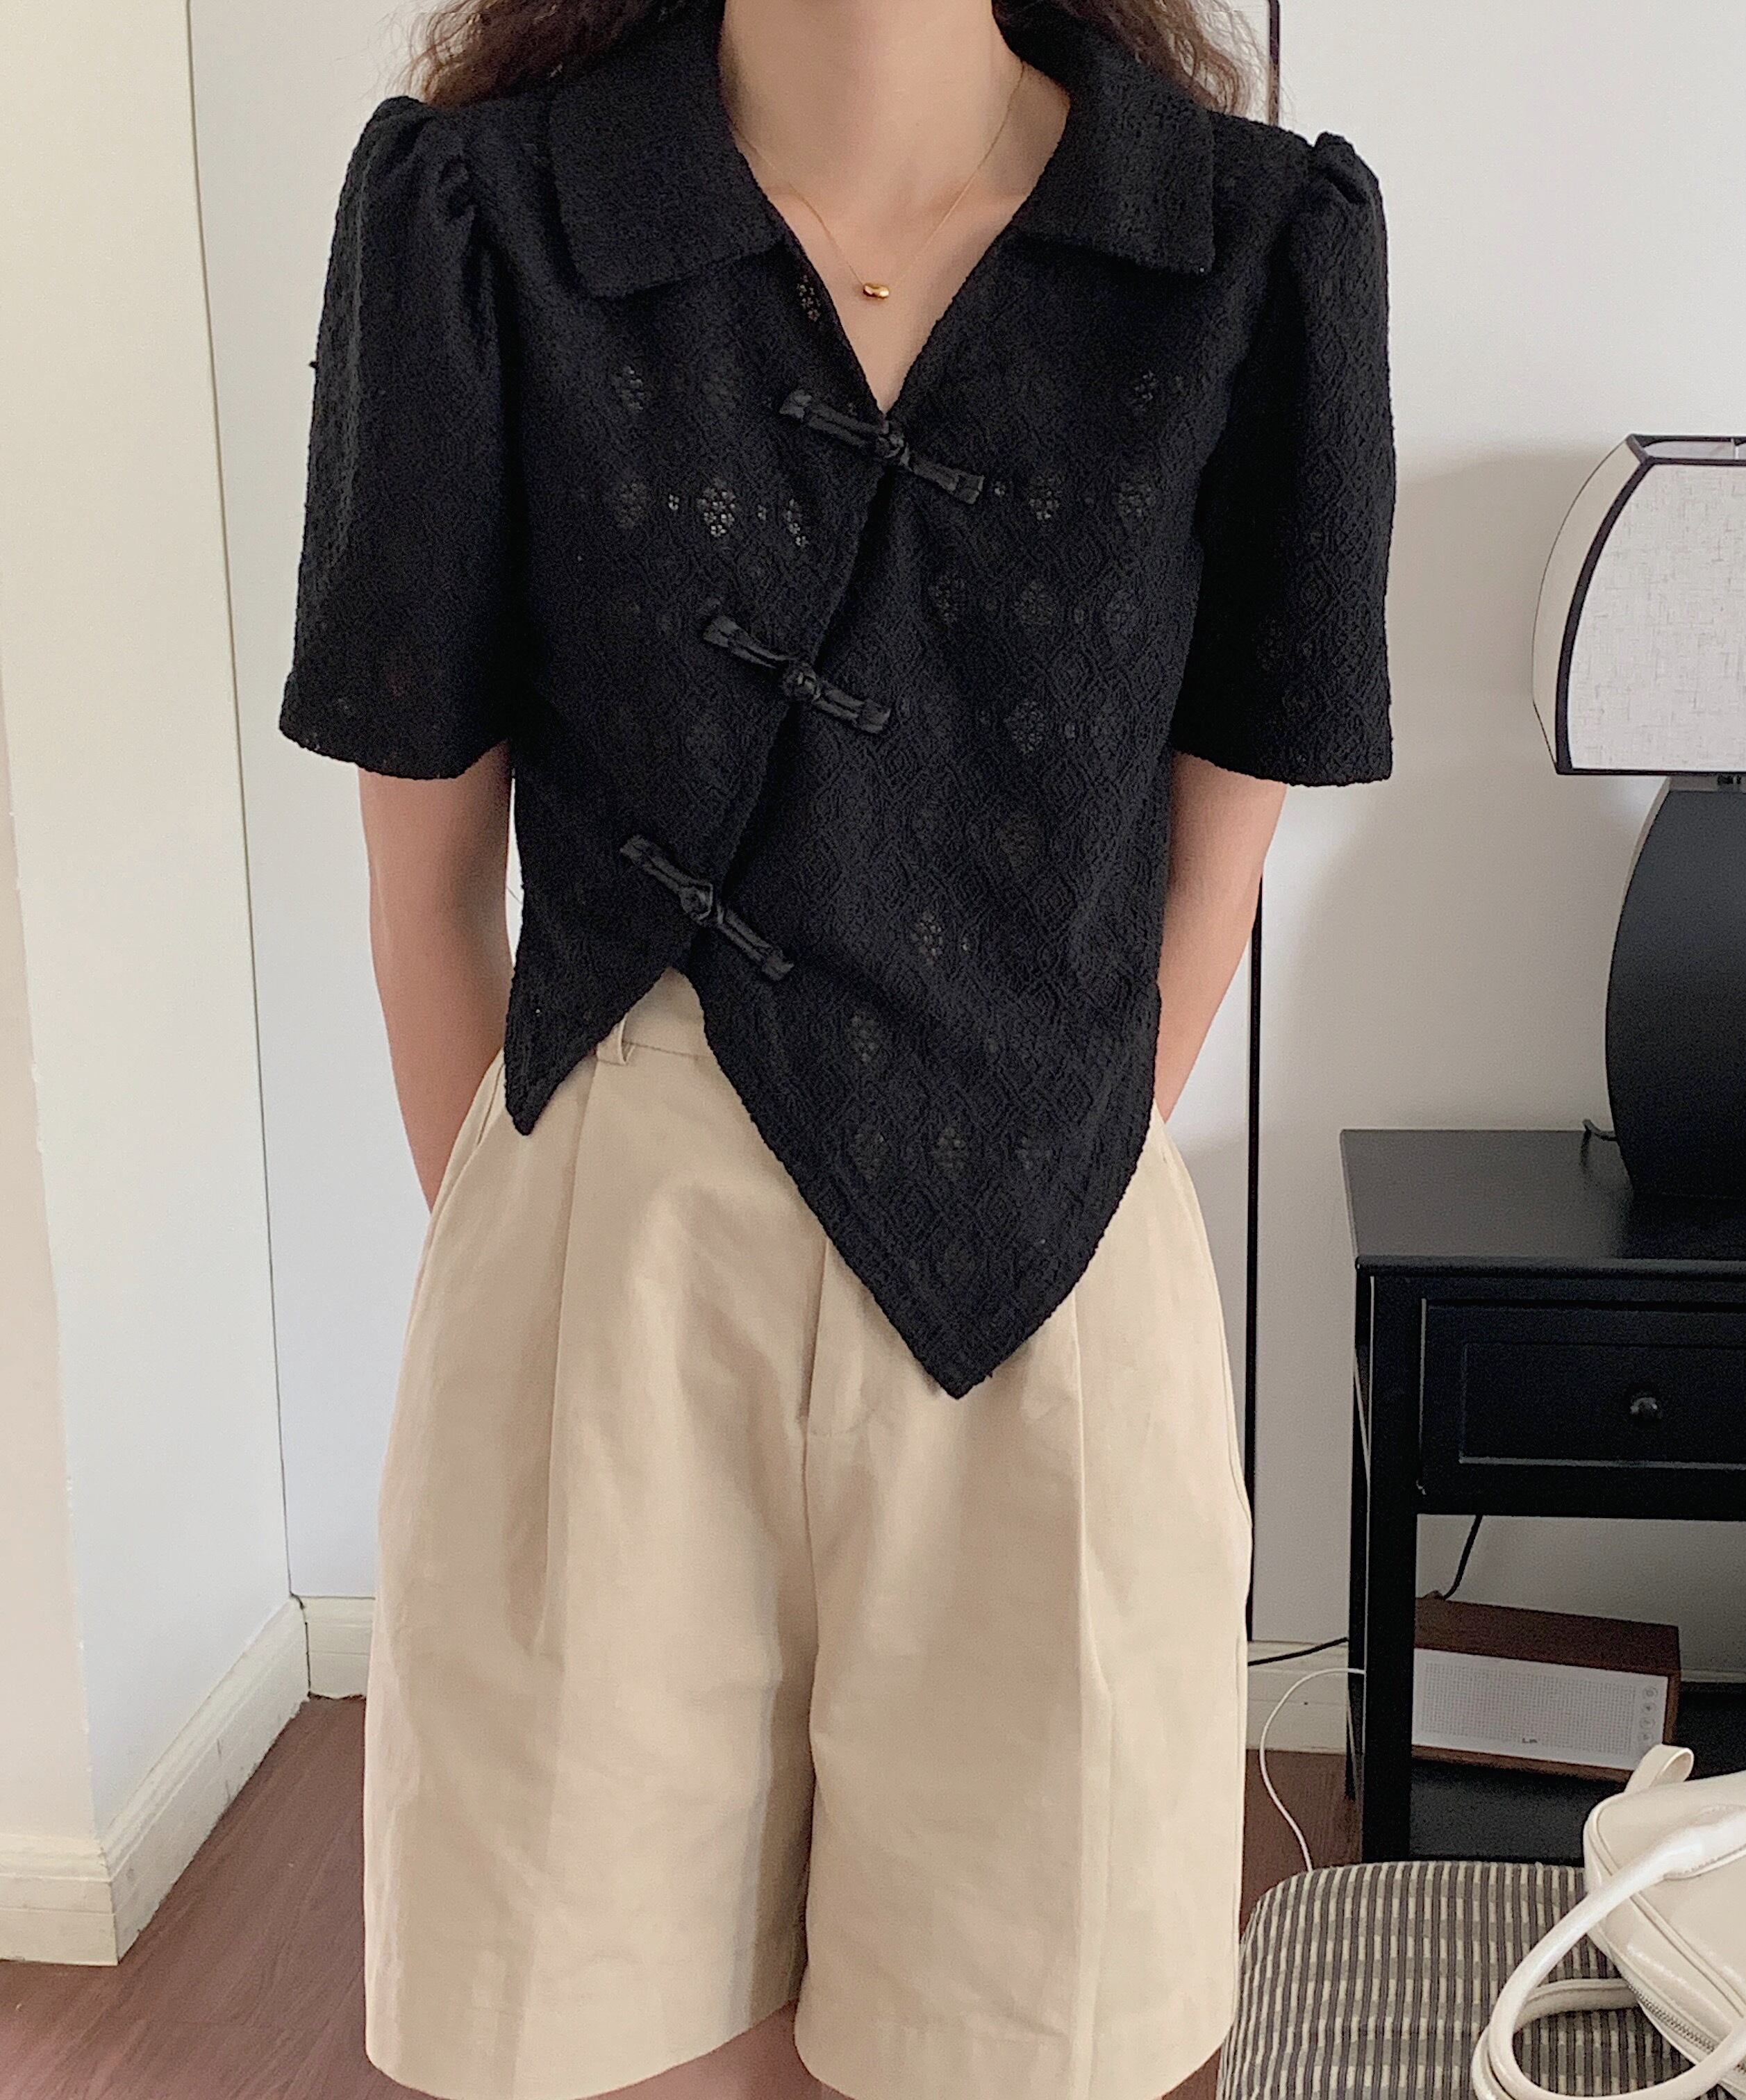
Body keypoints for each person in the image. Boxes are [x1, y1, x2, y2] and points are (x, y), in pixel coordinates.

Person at [277, 0, 1395, 2092]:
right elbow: (424, 887)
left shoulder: (1244, 251)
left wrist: (1027, 1167)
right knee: (592, 2034)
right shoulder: (485, 221)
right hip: (605, 1279)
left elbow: (1213, 878)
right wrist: (554, 1260)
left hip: (1052, 1291)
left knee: (1015, 2045)